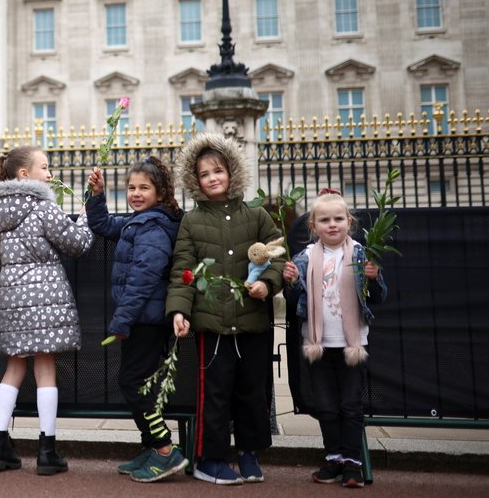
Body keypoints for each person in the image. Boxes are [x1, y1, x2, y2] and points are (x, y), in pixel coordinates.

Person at [166, 133, 284, 485]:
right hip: (212, 323)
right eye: (204, 174)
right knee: (214, 394)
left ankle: (249, 453)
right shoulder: (191, 221)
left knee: (252, 392)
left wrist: (268, 283)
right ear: (195, 181)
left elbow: (279, 255)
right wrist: (179, 311)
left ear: (232, 172)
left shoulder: (257, 215)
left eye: (218, 170)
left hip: (252, 322)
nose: (213, 178)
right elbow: (183, 270)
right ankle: (210, 458)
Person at [0, 145, 93, 475]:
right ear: (24, 174)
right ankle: (47, 451)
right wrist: (85, 217)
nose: (50, 173)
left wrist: (3, 288)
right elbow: (77, 243)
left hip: (9, 297)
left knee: (14, 368)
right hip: (47, 295)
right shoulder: (43, 207)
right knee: (45, 368)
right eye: (44, 167)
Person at [85, 157, 188, 482]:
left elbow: (144, 278)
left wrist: (122, 321)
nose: (136, 193)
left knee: (131, 382)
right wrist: (97, 195)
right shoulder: (139, 221)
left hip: (146, 320)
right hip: (141, 318)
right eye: (131, 187)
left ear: (161, 193)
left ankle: (163, 448)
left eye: (144, 187)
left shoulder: (153, 228)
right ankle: (151, 447)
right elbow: (102, 225)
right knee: (135, 382)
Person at [283, 190, 387, 489]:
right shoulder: (303, 258)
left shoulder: (361, 255)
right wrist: (290, 283)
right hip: (318, 343)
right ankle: (334, 457)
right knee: (326, 405)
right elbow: (295, 304)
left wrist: (372, 278)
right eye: (325, 220)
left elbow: (380, 297)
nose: (332, 225)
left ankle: (353, 462)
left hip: (352, 344)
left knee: (351, 405)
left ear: (349, 222)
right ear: (313, 226)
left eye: (338, 219)